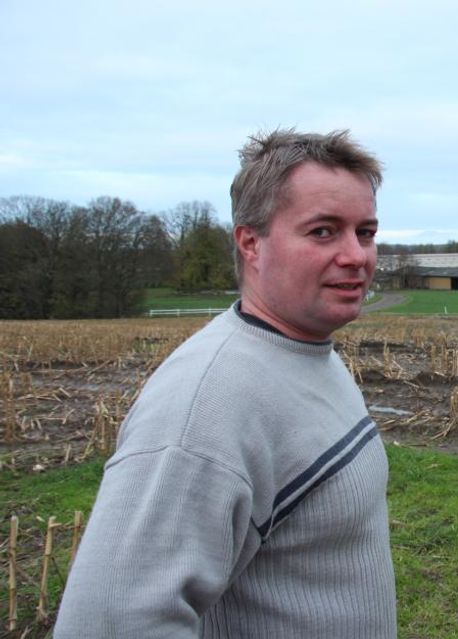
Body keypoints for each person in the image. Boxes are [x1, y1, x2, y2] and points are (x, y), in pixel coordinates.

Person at [54, 129, 397, 638]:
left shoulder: (307, 351)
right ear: (251, 243)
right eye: (324, 231)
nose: (356, 256)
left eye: (364, 232)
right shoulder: (204, 406)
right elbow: (106, 623)